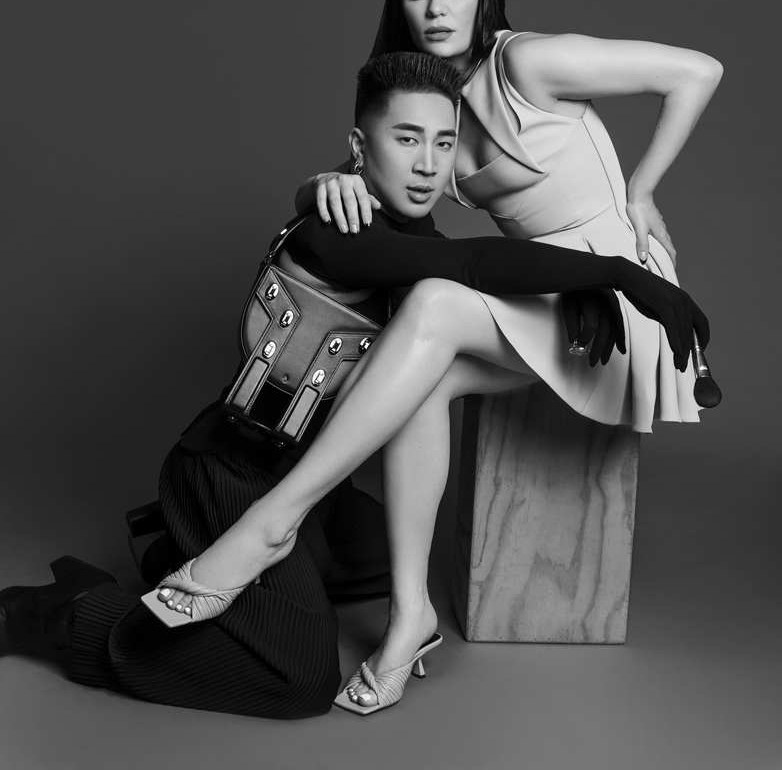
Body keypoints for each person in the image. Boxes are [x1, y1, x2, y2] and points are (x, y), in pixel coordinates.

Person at [0, 53, 707, 719]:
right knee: (299, 678)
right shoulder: (340, 228)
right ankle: (62, 611)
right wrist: (617, 273)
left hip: (318, 488)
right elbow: (473, 264)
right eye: (407, 139)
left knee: (392, 562)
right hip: (229, 469)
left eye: (443, 142)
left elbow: (483, 277)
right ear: (360, 147)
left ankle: (170, 550)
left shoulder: (411, 232)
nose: (427, 164)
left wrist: (578, 291)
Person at [290, 0, 724, 709]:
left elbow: (698, 71)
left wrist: (642, 191)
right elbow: (369, 193)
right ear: (400, 3)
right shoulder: (431, 106)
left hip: (620, 298)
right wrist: (324, 184)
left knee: (431, 305)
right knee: (422, 378)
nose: (436, 7)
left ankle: (282, 515)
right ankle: (411, 613)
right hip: (545, 292)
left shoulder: (525, 62)